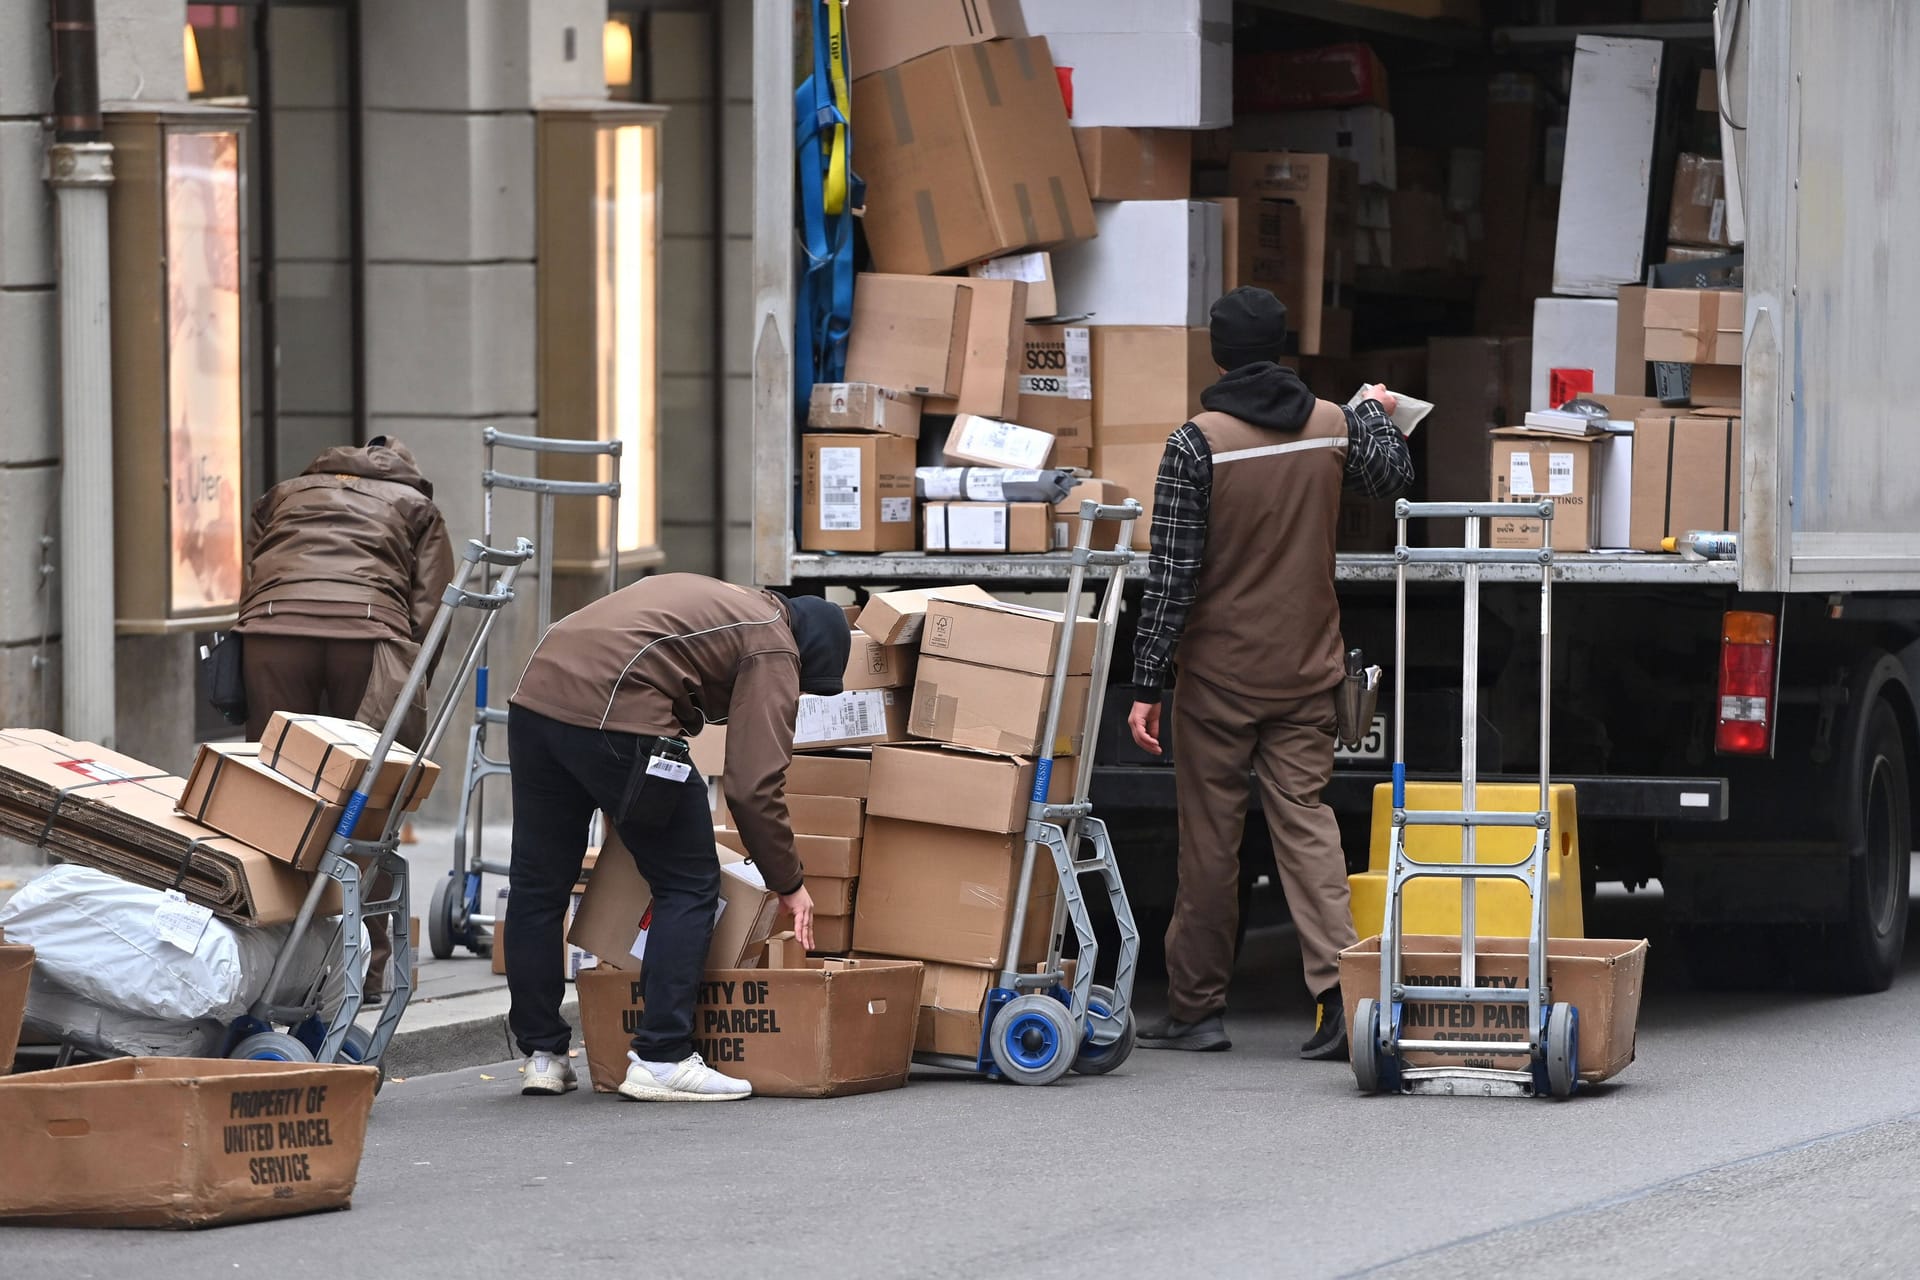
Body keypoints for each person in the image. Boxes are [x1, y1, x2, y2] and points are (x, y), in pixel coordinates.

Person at [1128, 287, 1414, 1059]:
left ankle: (1195, 1009)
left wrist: (1147, 682)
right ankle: (1339, 1001)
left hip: (1219, 679)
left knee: (1212, 846)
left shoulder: (1196, 443)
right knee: (1310, 829)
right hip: (1307, 668)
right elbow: (1394, 476)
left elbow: (1173, 573)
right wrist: (1378, 411)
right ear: (1285, 344)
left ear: (1217, 352)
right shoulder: (1332, 424)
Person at [504, 574, 851, 1101]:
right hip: (619, 714)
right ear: (808, 655)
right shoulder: (774, 641)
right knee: (689, 882)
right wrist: (789, 881)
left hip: (535, 701)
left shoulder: (727, 601)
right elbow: (753, 787)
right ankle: (662, 1057)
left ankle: (542, 1056)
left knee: (538, 883)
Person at [235, 437, 455, 1006]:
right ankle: (371, 965)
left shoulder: (284, 493)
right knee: (365, 791)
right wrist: (412, 678)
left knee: (280, 790)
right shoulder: (416, 506)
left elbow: (255, 575)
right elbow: (431, 607)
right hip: (367, 635)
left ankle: (273, 948)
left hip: (274, 631)